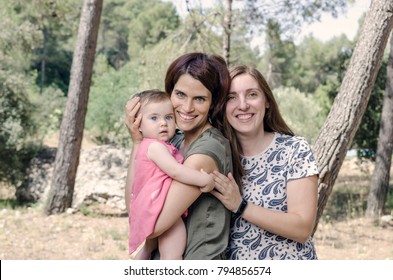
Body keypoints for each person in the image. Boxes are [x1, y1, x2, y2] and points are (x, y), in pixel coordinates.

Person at [125, 53, 240, 259]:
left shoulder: (208, 149)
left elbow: (149, 227)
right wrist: (137, 141)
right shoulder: (172, 142)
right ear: (169, 93)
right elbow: (134, 206)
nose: (187, 108)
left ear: (213, 103)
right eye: (180, 95)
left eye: (199, 99)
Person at [211, 65, 319, 260]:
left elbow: (302, 227)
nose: (242, 105)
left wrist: (240, 205)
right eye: (231, 97)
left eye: (252, 94)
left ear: (267, 101)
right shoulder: (217, 157)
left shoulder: (294, 150)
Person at [128, 90, 215, 260]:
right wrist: (205, 180)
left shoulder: (149, 145)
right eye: (154, 118)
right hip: (158, 207)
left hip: (149, 205)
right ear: (138, 124)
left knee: (148, 249)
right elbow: (176, 171)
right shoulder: (155, 147)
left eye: (168, 117)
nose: (163, 123)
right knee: (173, 252)